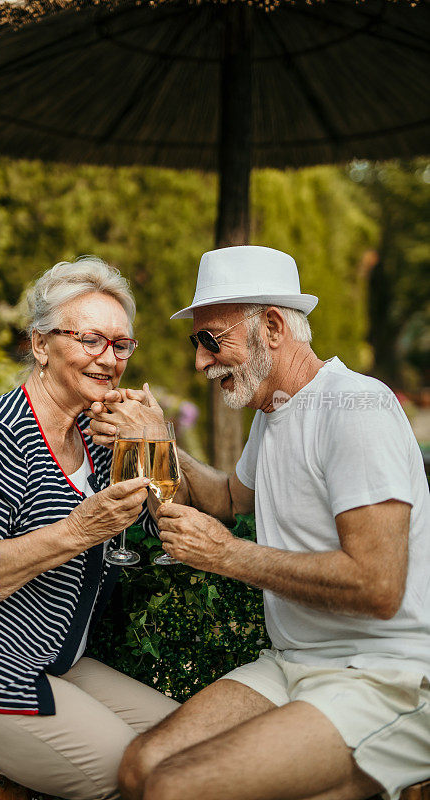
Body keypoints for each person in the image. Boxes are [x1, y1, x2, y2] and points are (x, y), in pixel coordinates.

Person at [86, 246, 430, 800]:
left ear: (271, 326)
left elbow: (379, 585)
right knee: (140, 766)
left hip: (387, 677)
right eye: (196, 342)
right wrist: (158, 440)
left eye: (210, 339)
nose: (200, 361)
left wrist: (227, 556)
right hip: (293, 665)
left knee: (177, 787)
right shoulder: (275, 414)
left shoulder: (357, 410)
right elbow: (228, 497)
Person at [0, 257, 178, 800]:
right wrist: (75, 532)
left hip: (49, 660)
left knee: (192, 743)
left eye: (122, 345)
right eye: (92, 339)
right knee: (137, 776)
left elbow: (158, 517)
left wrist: (155, 441)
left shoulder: (97, 436)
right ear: (41, 345)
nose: (109, 358)